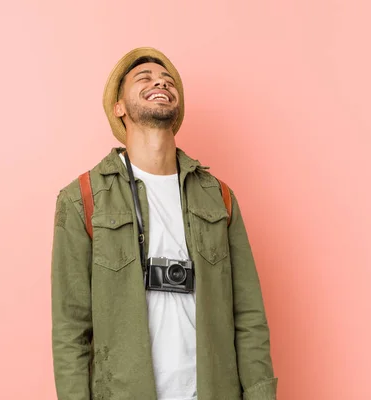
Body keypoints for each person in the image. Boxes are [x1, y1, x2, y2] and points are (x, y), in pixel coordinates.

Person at [51, 47, 277, 400]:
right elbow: (70, 329)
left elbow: (249, 317)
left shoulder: (218, 197)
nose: (160, 82)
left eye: (167, 80)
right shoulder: (82, 199)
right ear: (119, 107)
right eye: (145, 78)